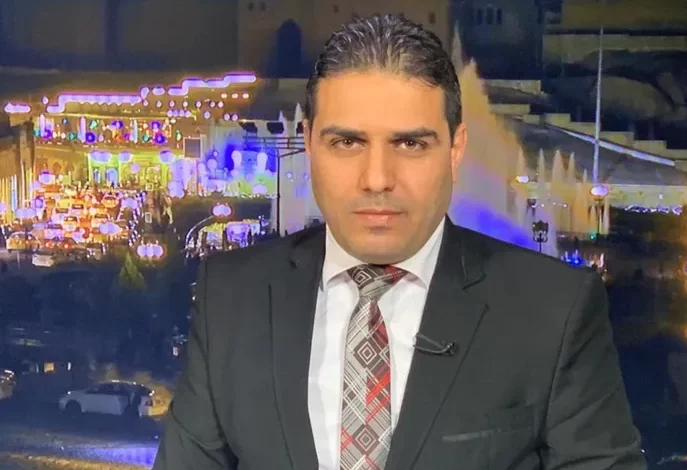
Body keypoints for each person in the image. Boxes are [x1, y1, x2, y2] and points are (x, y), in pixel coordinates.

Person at [154, 13, 644, 470]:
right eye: (347, 143)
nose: (377, 179)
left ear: (455, 150)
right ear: (309, 144)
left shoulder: (554, 311)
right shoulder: (231, 297)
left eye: (410, 144)